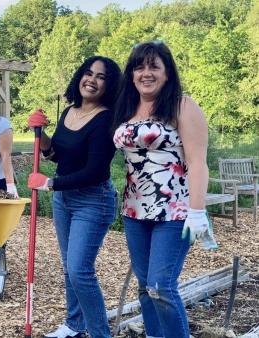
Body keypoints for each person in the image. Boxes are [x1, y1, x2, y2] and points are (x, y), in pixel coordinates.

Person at [112, 41, 216, 338]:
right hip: (134, 210)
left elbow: (198, 161)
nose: (146, 73)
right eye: (139, 67)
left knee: (160, 286)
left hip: (176, 211)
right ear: (131, 74)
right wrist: (52, 147)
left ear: (167, 73)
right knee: (145, 288)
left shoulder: (182, 104)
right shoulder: (126, 106)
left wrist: (197, 212)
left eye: (154, 66)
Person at [27, 56, 122, 338]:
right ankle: (74, 325)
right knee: (70, 267)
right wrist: (41, 135)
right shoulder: (69, 111)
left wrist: (49, 184)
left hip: (93, 200)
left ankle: (99, 334)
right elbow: (57, 155)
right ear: (80, 76)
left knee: (80, 270)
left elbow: (94, 171)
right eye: (88, 73)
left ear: (109, 85)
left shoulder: (107, 119)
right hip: (64, 200)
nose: (91, 80)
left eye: (101, 77)